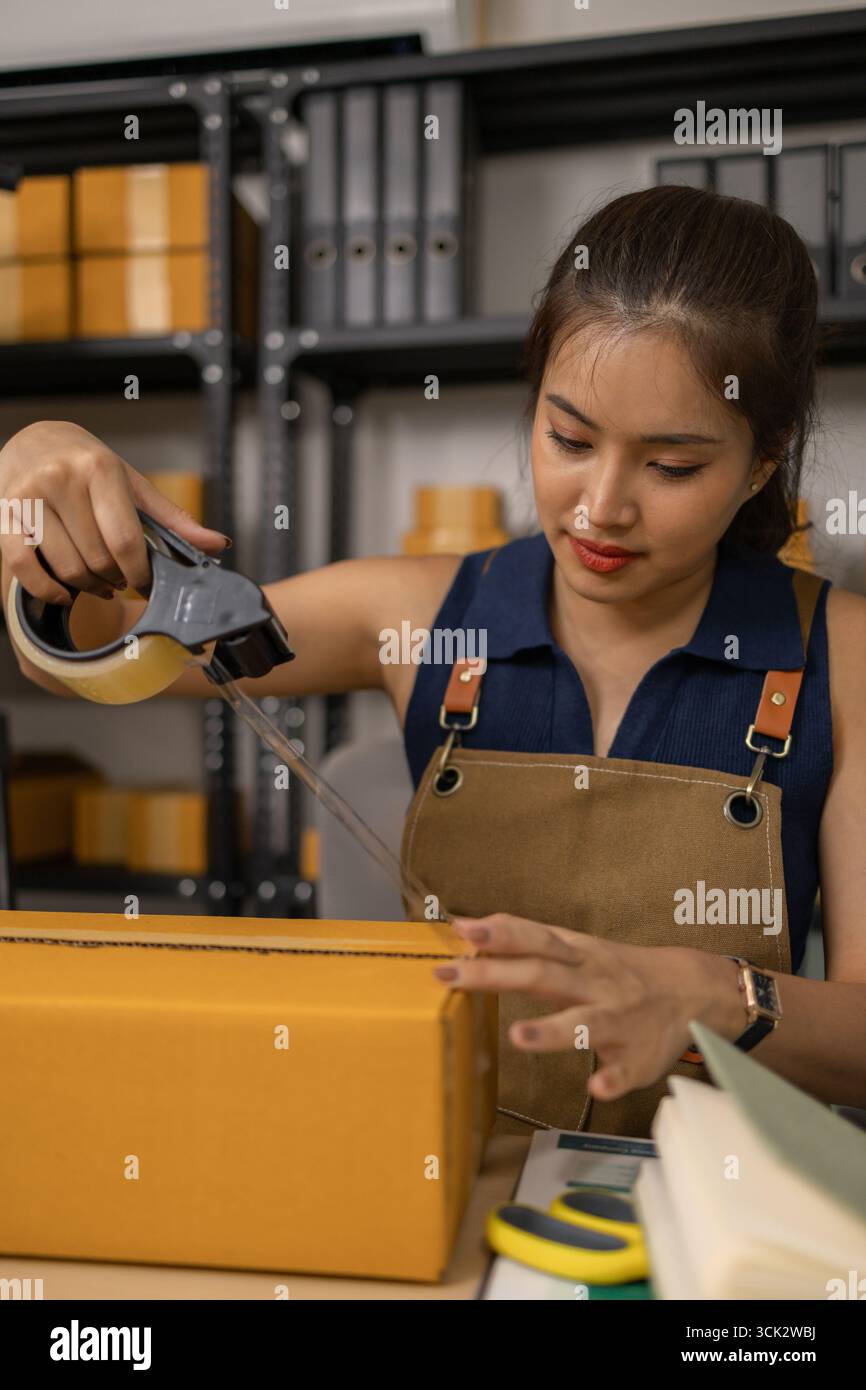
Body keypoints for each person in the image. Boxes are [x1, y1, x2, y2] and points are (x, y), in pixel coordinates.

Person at [3, 185, 865, 1138]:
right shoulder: (414, 616)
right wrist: (37, 497)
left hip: (711, 1220)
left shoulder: (845, 656)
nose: (601, 506)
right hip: (446, 1182)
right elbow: (96, 659)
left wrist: (705, 995)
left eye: (671, 467)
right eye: (568, 439)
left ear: (759, 459)